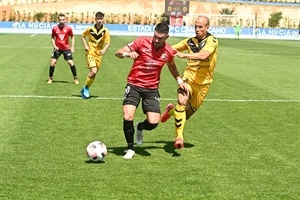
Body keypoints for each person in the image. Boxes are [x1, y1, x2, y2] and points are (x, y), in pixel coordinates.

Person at [115, 22, 187, 159]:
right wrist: (127, 53)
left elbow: (172, 66)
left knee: (153, 122)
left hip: (152, 88)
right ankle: (130, 148)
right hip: (134, 84)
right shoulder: (141, 41)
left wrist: (179, 80)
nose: (156, 39)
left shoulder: (169, 51)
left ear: (167, 37)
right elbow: (117, 52)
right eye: (155, 36)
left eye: (160, 37)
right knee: (127, 116)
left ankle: (140, 127)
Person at [160, 15, 219, 149]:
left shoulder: (212, 40)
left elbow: (204, 55)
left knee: (185, 115)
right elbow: (171, 49)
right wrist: (157, 47)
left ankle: (170, 111)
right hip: (189, 78)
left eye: (200, 27)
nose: (197, 29)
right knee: (182, 100)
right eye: (195, 26)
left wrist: (184, 55)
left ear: (207, 27)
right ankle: (179, 138)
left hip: (204, 83)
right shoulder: (189, 41)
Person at [81, 11, 110, 99]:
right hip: (90, 53)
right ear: (95, 19)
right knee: (93, 71)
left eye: (101, 19)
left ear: (103, 20)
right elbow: (82, 35)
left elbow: (108, 42)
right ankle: (86, 88)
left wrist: (104, 49)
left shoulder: (105, 31)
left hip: (99, 55)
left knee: (94, 73)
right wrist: (85, 45)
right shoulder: (90, 29)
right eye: (98, 19)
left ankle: (86, 87)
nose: (99, 21)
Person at [47, 13, 79, 84]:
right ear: (58, 20)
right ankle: (50, 78)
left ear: (65, 20)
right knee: (53, 62)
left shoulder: (68, 28)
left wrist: (72, 46)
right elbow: (52, 37)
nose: (62, 21)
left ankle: (75, 78)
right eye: (60, 20)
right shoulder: (55, 28)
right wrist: (55, 46)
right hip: (57, 48)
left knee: (71, 63)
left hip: (66, 48)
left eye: (63, 20)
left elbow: (72, 37)